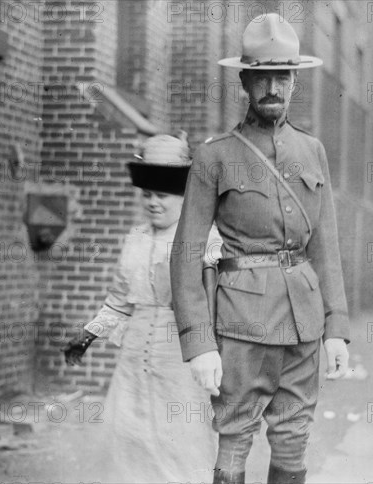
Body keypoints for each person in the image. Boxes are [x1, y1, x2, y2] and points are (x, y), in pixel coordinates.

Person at [170, 13, 350, 484]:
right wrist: (199, 343)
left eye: (283, 77)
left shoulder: (313, 152)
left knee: (294, 435)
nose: (273, 87)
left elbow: (326, 247)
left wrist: (337, 328)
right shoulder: (215, 156)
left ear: (294, 82)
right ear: (245, 82)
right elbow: (186, 253)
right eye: (262, 77)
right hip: (240, 323)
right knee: (234, 435)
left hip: (305, 322)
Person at [63, 133, 218, 483]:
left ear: (181, 196)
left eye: (161, 195)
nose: (152, 203)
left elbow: (215, 302)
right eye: (147, 195)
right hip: (133, 360)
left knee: (179, 443)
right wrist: (89, 334)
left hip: (180, 356)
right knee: (127, 441)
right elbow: (119, 301)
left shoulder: (205, 238)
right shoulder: (135, 237)